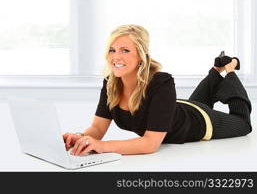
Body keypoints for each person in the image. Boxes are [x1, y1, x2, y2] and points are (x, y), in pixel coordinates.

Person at [63, 24, 252, 156]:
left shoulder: (161, 82)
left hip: (200, 122)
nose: (116, 57)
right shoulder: (111, 83)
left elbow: (150, 143)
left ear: (141, 55)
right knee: (197, 101)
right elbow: (97, 128)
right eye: (112, 50)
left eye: (125, 50)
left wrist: (101, 147)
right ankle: (216, 70)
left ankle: (229, 69)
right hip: (177, 109)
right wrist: (79, 138)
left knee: (243, 124)